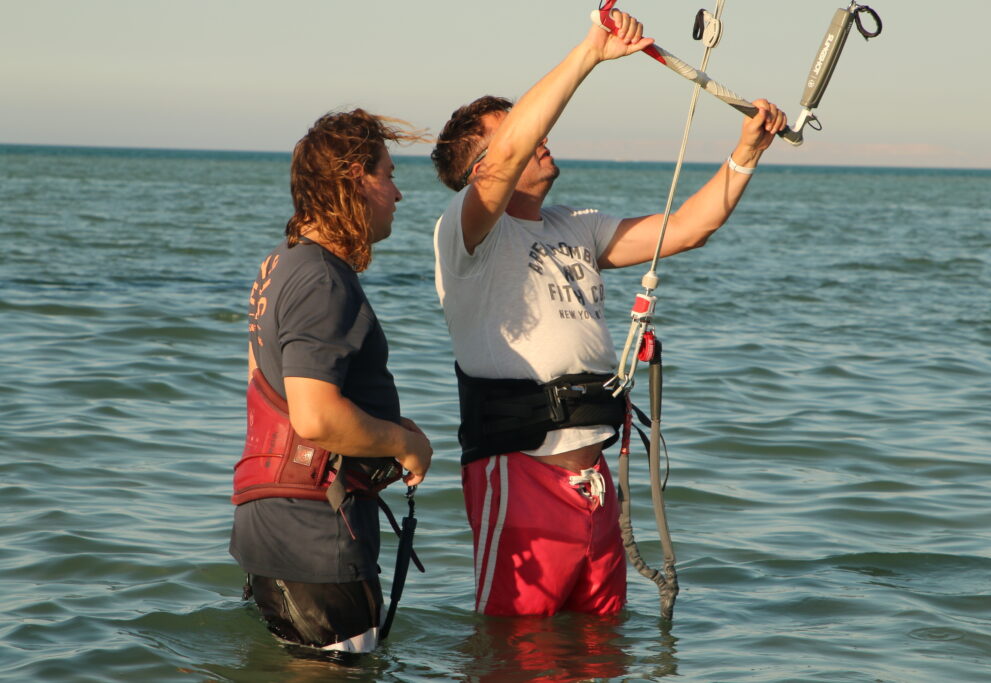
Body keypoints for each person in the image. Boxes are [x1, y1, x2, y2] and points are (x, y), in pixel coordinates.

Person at [431, 11, 786, 617]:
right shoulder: (467, 232)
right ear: (480, 170)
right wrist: (590, 53)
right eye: (519, 132)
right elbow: (513, 145)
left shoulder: (577, 225)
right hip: (522, 478)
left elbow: (689, 229)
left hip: (595, 484)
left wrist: (747, 152)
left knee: (600, 655)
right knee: (516, 660)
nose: (540, 137)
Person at [230, 109, 433, 653]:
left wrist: (376, 428)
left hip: (270, 525)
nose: (397, 193)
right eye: (388, 175)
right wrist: (405, 444)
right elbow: (315, 416)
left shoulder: (282, 264)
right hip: (317, 538)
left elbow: (266, 387)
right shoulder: (322, 277)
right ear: (355, 180)